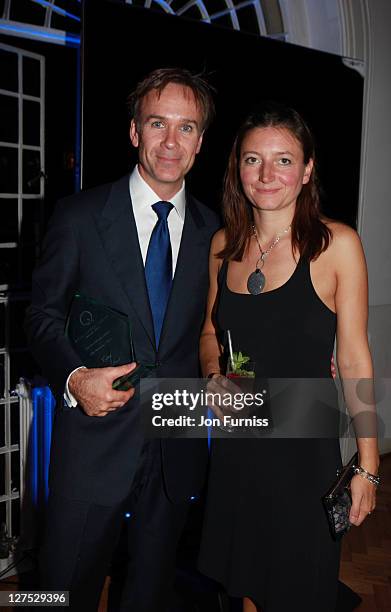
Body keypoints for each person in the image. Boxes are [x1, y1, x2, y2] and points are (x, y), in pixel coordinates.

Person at [25, 67, 219, 611]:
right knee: (58, 589)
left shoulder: (217, 232)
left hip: (174, 446)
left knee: (151, 593)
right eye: (158, 124)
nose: (171, 142)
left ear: (201, 141)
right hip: (93, 441)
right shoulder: (80, 216)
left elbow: (217, 329)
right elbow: (40, 316)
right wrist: (73, 377)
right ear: (135, 131)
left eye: (186, 128)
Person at [197, 103, 379, 611]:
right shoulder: (221, 246)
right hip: (239, 450)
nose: (267, 173)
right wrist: (214, 375)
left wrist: (367, 464)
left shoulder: (337, 245)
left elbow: (355, 358)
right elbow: (210, 332)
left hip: (305, 453)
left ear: (307, 169)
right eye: (253, 159)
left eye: (283, 159)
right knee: (245, 581)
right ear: (238, 168)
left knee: (299, 586)